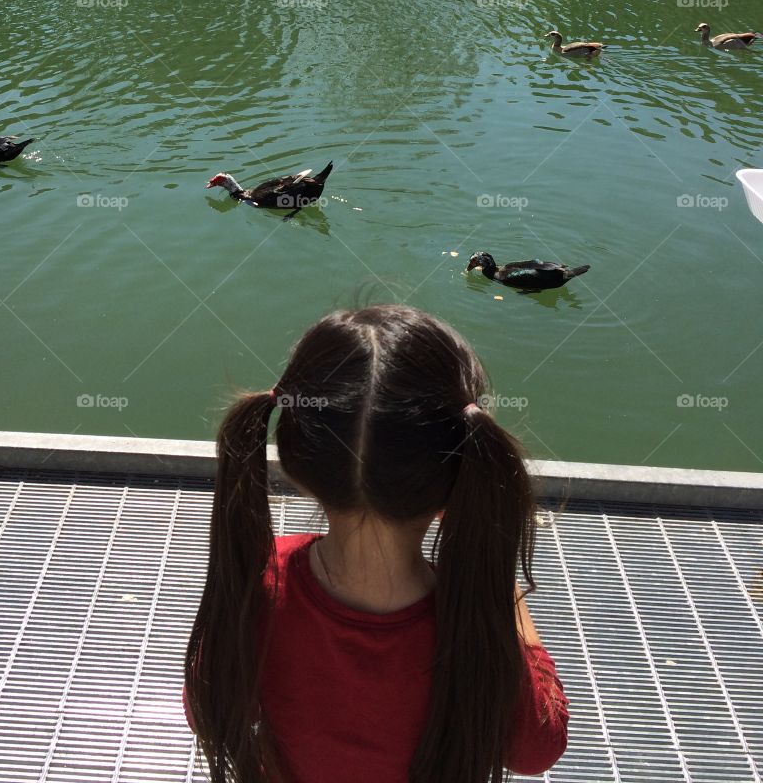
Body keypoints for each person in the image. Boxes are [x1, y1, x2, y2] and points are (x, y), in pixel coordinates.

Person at [184, 305, 569, 782]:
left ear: (302, 469)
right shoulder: (472, 613)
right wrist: (509, 609)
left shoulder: (261, 580)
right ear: (459, 481)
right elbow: (537, 751)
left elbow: (208, 709)